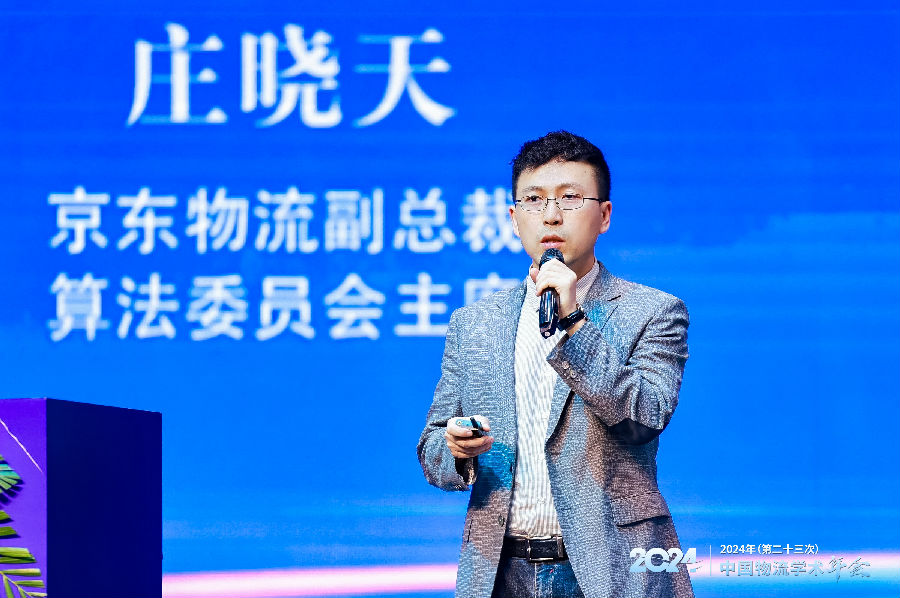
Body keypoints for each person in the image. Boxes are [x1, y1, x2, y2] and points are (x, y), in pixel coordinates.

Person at [417, 130, 694, 598]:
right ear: (513, 218)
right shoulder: (474, 323)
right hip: (499, 572)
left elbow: (643, 419)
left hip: (610, 570)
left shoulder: (653, 311)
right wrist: (457, 449)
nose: (550, 215)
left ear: (604, 215)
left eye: (570, 198)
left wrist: (574, 322)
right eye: (533, 199)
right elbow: (432, 448)